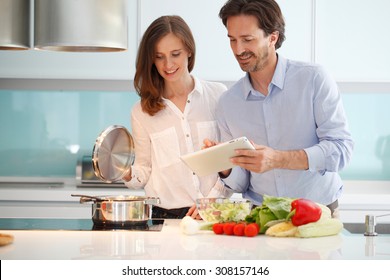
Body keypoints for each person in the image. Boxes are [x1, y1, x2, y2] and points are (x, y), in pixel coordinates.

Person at [207, 0, 354, 217]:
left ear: (272, 37)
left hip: (317, 212)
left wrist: (278, 159)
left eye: (247, 40)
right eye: (232, 40)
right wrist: (225, 165)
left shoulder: (313, 79)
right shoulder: (229, 103)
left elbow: (341, 150)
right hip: (262, 215)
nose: (238, 50)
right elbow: (240, 183)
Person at [122, 15, 231, 219]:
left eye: (175, 54)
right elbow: (144, 170)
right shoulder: (141, 111)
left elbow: (230, 161)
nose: (168, 64)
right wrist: (122, 170)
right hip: (165, 217)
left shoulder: (217, 95)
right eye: (159, 56)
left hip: (215, 212)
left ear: (189, 50)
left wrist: (213, 199)